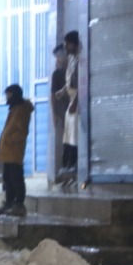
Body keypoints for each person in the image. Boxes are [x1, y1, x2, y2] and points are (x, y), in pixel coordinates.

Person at [0, 84, 33, 218]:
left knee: (16, 179)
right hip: (8, 152)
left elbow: (22, 132)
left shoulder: (22, 110)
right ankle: (9, 203)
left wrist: (9, 140)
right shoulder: (14, 109)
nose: (7, 98)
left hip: (14, 151)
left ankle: (19, 205)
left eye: (9, 94)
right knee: (7, 179)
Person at [55, 31, 83, 187]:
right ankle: (67, 167)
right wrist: (62, 91)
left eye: (67, 43)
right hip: (72, 101)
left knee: (74, 137)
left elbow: (81, 83)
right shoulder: (72, 60)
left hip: (77, 103)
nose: (65, 46)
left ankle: (74, 166)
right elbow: (70, 82)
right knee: (68, 137)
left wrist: (76, 102)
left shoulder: (80, 60)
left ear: (74, 43)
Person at [48, 42, 70, 187]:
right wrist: (54, 113)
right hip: (62, 111)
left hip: (73, 109)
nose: (57, 60)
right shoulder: (57, 74)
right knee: (66, 140)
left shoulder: (73, 70)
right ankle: (66, 167)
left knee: (73, 140)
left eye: (59, 57)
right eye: (56, 57)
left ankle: (71, 168)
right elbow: (53, 95)